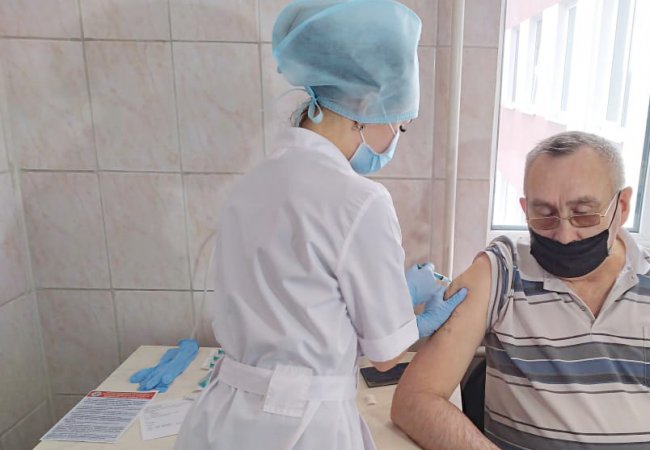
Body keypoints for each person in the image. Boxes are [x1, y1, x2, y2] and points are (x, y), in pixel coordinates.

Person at [174, 1, 466, 449]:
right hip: (303, 428)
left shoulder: (252, 184)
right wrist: (414, 316)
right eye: (401, 126)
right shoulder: (360, 200)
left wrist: (392, 297)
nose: (395, 139)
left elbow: (300, 313)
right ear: (368, 106)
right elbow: (386, 355)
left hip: (222, 418)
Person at [392, 131, 650, 449]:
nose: (564, 236)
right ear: (525, 209)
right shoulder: (500, 272)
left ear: (622, 206)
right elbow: (415, 399)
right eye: (544, 215)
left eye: (583, 214)